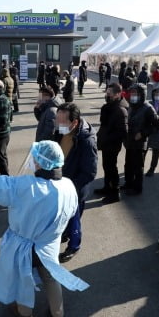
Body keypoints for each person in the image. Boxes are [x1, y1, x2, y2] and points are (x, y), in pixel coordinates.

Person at [0, 141, 89, 317]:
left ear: (40, 162)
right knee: (50, 277)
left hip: (24, 245)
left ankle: (25, 313)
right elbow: (72, 214)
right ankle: (58, 315)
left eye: (35, 158)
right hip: (49, 244)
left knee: (24, 277)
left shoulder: (24, 186)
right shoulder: (69, 186)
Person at [54, 102, 97, 262]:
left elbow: (90, 172)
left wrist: (70, 188)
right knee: (62, 217)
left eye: (62, 122)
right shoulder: (60, 132)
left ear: (75, 122)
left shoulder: (86, 141)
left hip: (74, 190)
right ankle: (64, 234)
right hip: (59, 184)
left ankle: (74, 246)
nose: (59, 125)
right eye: (57, 120)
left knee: (74, 220)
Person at [123, 84, 159, 195]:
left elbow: (158, 125)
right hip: (130, 141)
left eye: (135, 93)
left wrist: (143, 133)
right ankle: (128, 183)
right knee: (128, 164)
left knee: (138, 166)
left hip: (140, 143)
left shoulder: (148, 108)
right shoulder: (132, 105)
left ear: (141, 95)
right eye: (132, 93)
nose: (133, 95)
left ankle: (137, 188)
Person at [95, 83, 128, 204]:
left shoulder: (121, 110)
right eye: (106, 93)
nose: (107, 95)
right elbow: (104, 125)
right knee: (106, 166)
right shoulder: (108, 107)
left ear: (118, 94)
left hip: (112, 145)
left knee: (111, 168)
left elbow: (123, 132)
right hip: (106, 142)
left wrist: (108, 138)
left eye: (109, 94)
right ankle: (107, 187)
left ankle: (115, 193)